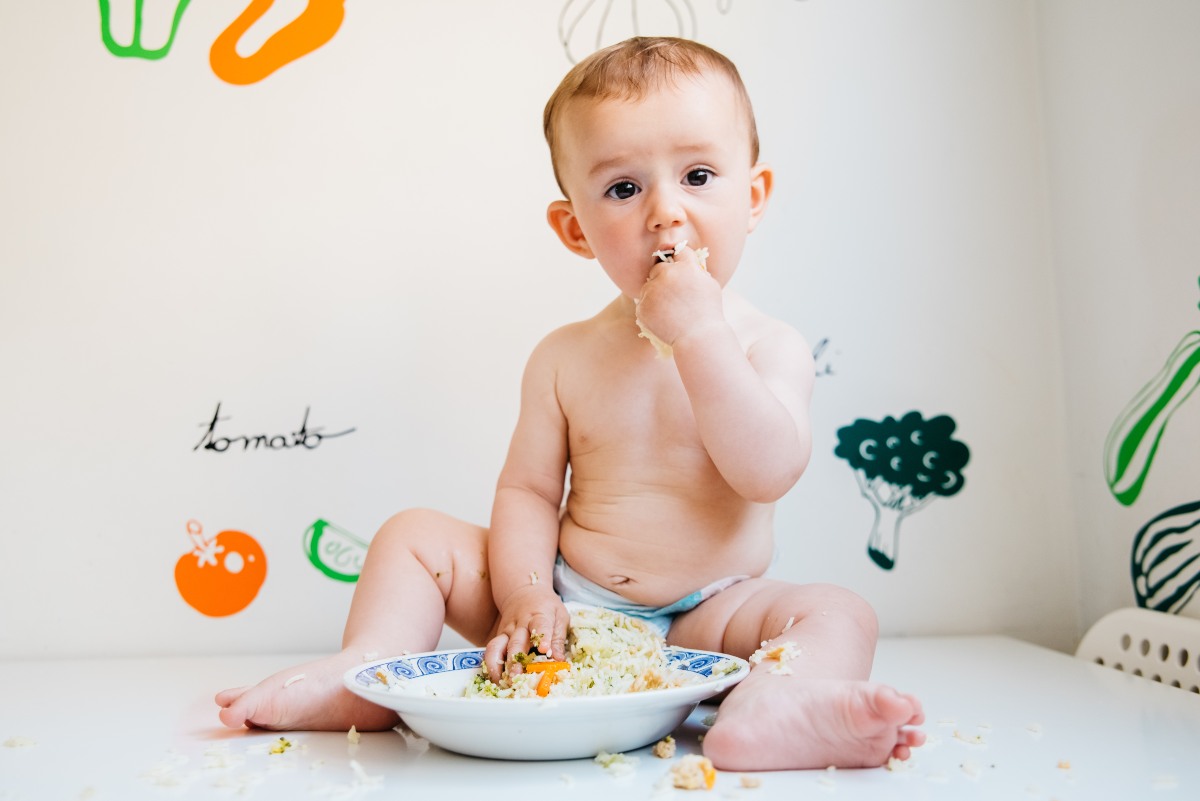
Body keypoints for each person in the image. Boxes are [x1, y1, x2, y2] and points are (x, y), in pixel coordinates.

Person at [216, 36, 924, 771]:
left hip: (710, 618)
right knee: (413, 536)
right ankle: (369, 672)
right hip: (563, 605)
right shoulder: (565, 356)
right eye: (623, 188)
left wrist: (701, 336)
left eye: (698, 175)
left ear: (752, 198)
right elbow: (527, 491)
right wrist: (527, 594)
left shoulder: (769, 346)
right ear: (576, 229)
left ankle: (772, 707)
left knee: (839, 613)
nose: (666, 212)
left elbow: (767, 472)